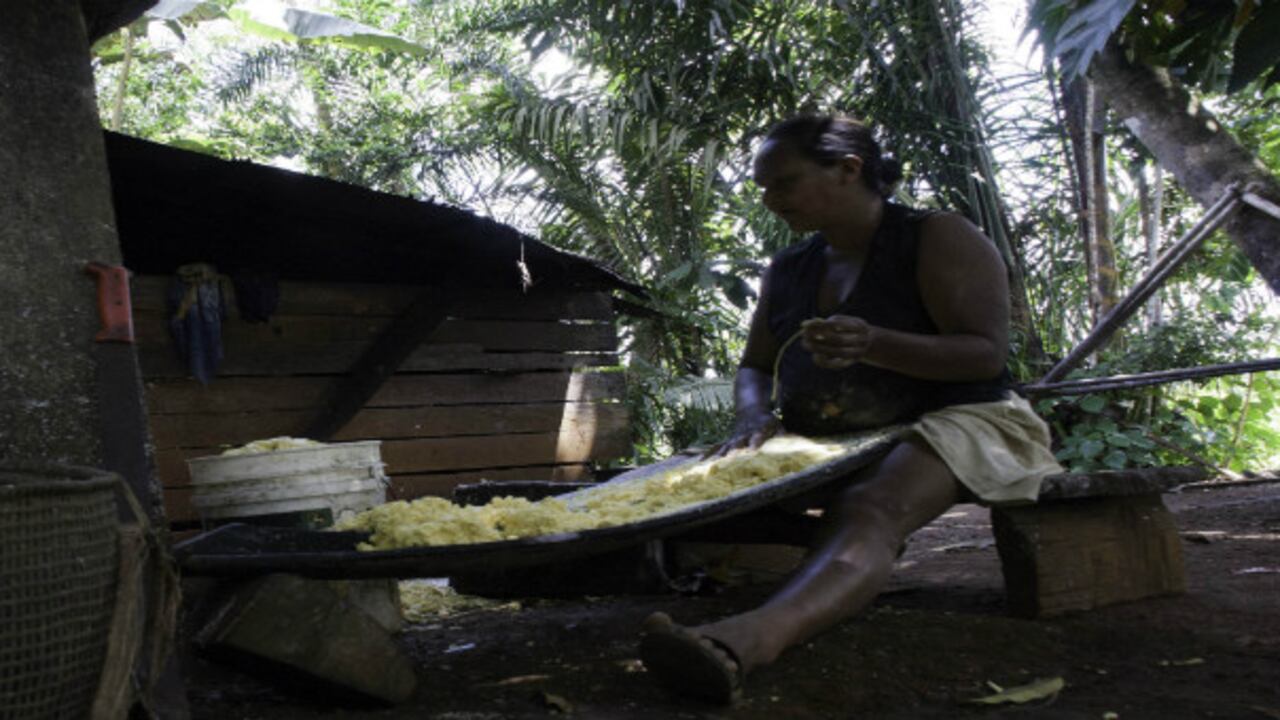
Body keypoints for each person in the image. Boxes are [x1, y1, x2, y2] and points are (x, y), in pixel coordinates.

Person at [638, 115, 1062, 704]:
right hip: (832, 436)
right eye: (763, 188)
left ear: (848, 169)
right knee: (678, 493)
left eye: (784, 182)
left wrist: (875, 342)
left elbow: (983, 356)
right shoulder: (790, 268)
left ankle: (743, 642)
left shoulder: (937, 236)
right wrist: (754, 417)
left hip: (963, 418)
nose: (770, 200)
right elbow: (755, 366)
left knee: (870, 507)